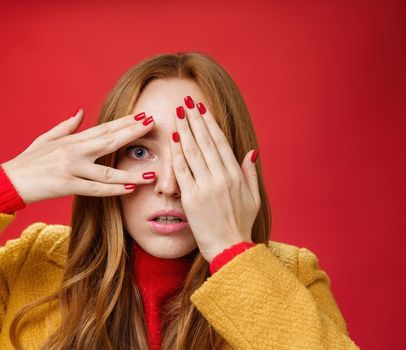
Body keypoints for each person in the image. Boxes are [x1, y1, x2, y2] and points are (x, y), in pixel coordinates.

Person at [0, 52, 358, 349]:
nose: (170, 185)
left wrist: (231, 251)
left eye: (196, 154)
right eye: (139, 151)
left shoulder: (292, 273)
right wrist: (7, 185)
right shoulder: (31, 262)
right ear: (108, 158)